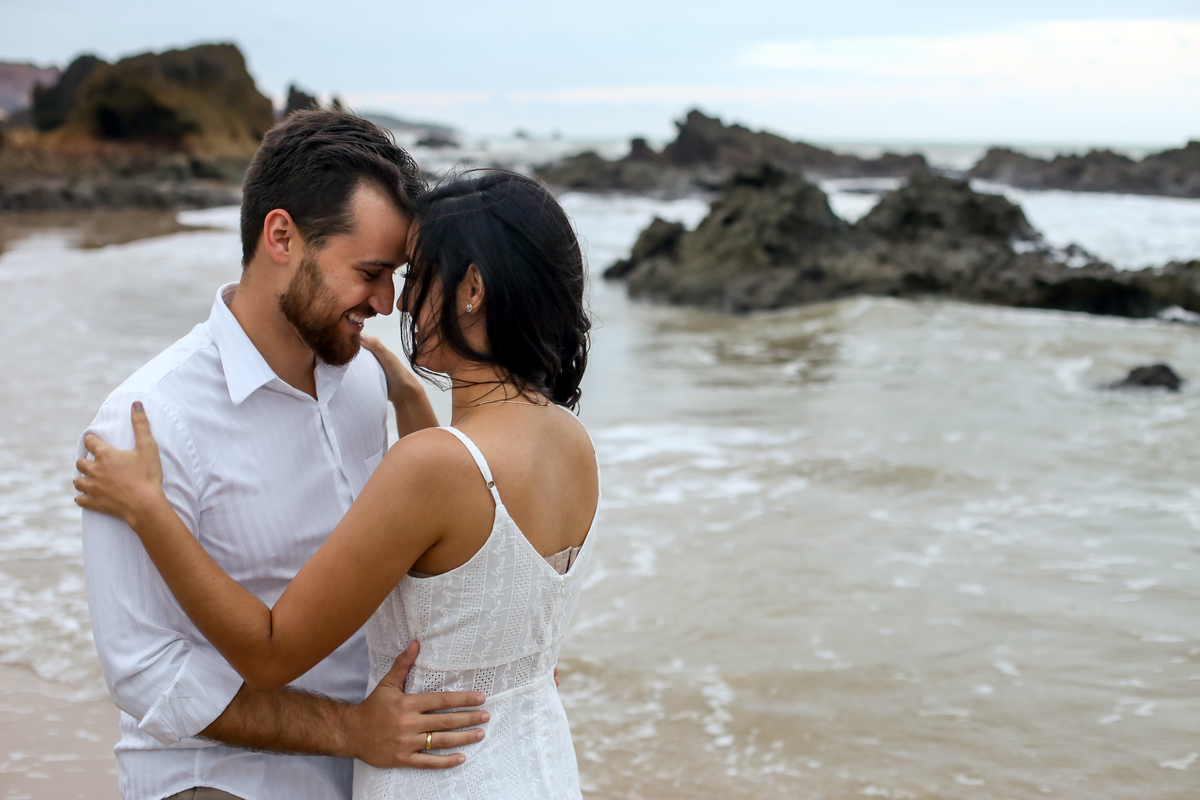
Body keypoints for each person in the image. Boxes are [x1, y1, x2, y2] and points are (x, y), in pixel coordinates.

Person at [76, 170, 598, 800]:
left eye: (411, 276)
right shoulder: (571, 441)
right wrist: (409, 398)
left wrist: (148, 509)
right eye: (376, 272)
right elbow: (470, 564)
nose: (395, 303)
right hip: (537, 764)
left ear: (472, 290)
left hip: (436, 777)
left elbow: (271, 653)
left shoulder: (430, 460)